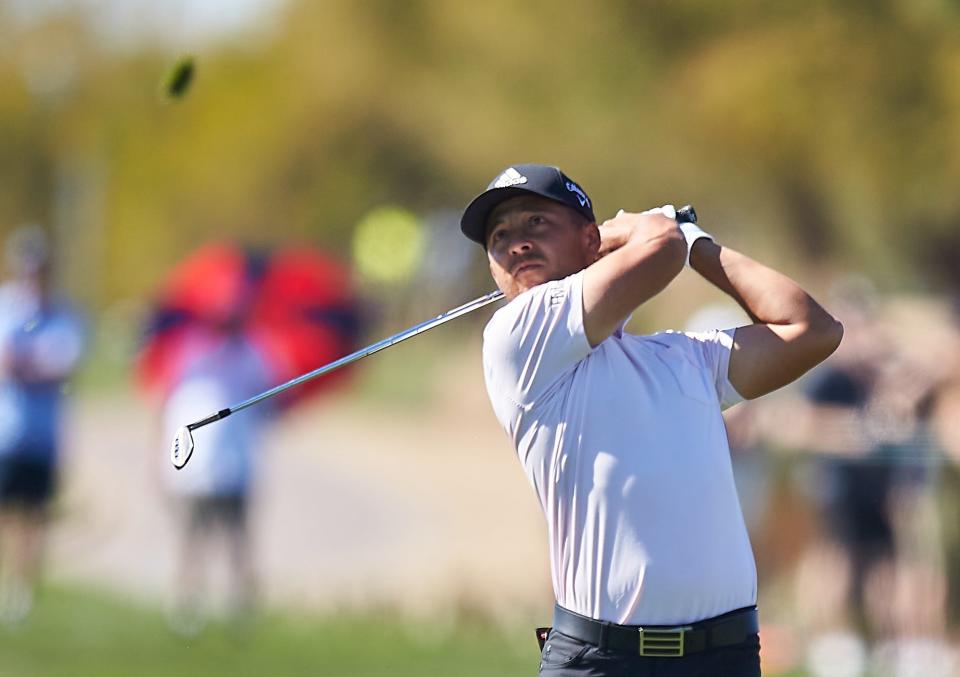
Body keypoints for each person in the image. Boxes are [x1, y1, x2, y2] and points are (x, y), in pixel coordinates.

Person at [459, 164, 843, 676]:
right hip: (603, 660)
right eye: (500, 236)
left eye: (536, 223)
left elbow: (811, 329)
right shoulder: (515, 335)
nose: (517, 244)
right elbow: (660, 250)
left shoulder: (682, 358)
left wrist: (699, 243)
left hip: (722, 657)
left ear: (588, 240)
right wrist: (649, 230)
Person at [160, 331, 271, 635]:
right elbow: (166, 400)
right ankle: (187, 610)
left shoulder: (253, 352)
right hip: (193, 472)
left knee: (238, 544)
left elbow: (273, 406)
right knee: (191, 543)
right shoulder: (189, 348)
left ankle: (243, 615)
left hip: (236, 469)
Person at [0, 226, 84, 625]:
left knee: (33, 514)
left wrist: (24, 363)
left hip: (41, 435)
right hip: (5, 430)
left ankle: (23, 591)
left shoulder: (62, 314)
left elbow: (59, 367)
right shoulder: (7, 307)